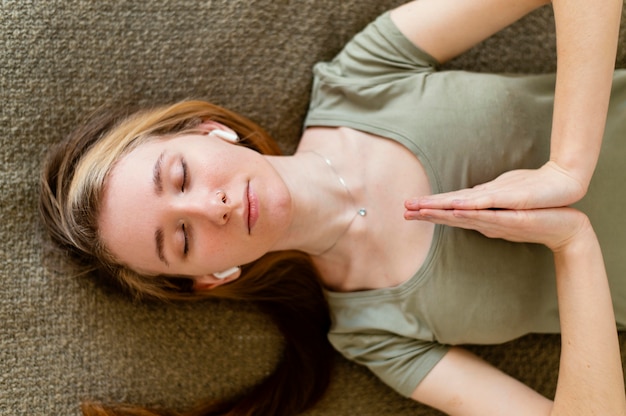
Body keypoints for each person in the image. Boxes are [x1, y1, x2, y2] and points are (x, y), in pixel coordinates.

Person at [39, 0, 626, 415]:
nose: (210, 205)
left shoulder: (359, 77)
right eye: (183, 239)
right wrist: (571, 243)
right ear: (211, 278)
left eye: (181, 175)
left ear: (209, 130)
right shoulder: (375, 334)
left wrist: (567, 168)